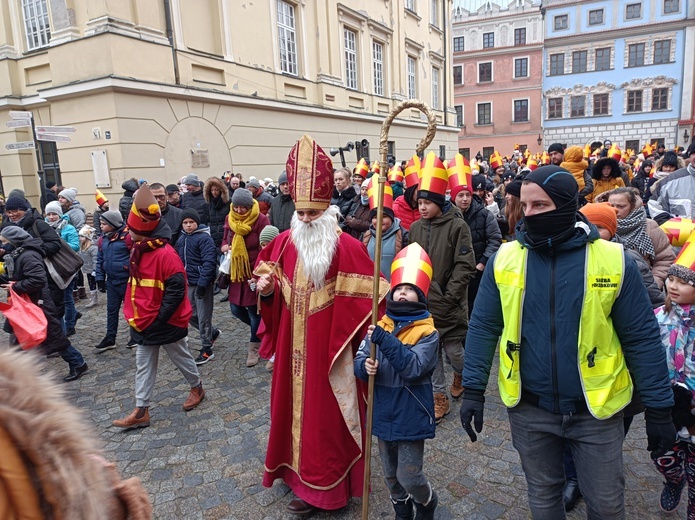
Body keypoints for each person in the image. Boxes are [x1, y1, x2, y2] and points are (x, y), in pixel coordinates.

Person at [459, 165, 676, 519]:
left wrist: (659, 407)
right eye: (524, 205)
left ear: (565, 206)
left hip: (596, 410)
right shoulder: (506, 258)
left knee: (605, 503)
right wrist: (472, 390)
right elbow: (483, 326)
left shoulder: (613, 259)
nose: (528, 214)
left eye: (539, 206)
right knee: (544, 497)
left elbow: (641, 337)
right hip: (529, 408)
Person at [254, 134, 389, 515]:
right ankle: (292, 474)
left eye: (313, 213)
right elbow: (269, 283)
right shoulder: (284, 242)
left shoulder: (347, 247)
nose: (306, 220)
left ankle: (323, 490)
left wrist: (368, 345)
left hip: (331, 355)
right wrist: (265, 290)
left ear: (328, 209)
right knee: (290, 415)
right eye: (301, 213)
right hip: (292, 353)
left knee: (324, 423)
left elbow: (374, 299)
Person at [0, 348, 152, 519]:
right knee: (146, 361)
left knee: (172, 355)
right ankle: (142, 409)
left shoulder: (16, 399)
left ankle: (78, 361)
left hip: (160, 327)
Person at [354, 243, 440, 520]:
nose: (402, 293)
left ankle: (426, 501)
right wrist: (363, 365)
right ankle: (401, 510)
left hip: (410, 411)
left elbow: (414, 368)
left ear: (420, 294)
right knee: (390, 475)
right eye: (398, 289)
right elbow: (360, 356)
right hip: (382, 409)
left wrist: (386, 341)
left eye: (409, 289)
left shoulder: (428, 333)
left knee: (409, 474)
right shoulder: (380, 325)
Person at [113, 185, 205, 430]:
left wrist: (158, 320)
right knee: (143, 363)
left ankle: (197, 387)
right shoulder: (139, 250)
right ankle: (141, 409)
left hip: (165, 321)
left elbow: (176, 292)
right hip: (145, 320)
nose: (128, 233)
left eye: (132, 230)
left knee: (181, 357)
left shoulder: (166, 255)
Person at [408, 153, 476, 423]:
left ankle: (463, 373)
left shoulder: (458, 226)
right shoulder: (414, 227)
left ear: (438, 202)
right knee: (431, 353)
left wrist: (450, 295)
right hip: (423, 305)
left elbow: (464, 264)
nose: (422, 208)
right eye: (420, 203)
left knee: (453, 351)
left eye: (427, 202)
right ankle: (440, 397)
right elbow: (412, 260)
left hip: (449, 303)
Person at [0, 226, 88, 382]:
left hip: (36, 304)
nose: (2, 245)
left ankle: (78, 363)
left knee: (54, 338)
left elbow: (38, 280)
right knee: (17, 338)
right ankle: (16, 375)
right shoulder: (16, 255)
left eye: (4, 241)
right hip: (24, 303)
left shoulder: (28, 256)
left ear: (14, 241)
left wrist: (15, 286)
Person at [652, 251, 695, 515]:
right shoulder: (658, 316)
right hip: (667, 405)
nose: (673, 285)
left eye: (685, 281)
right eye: (672, 279)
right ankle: (674, 480)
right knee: (663, 457)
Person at [221, 188, 269, 367]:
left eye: (243, 207)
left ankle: (254, 348)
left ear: (250, 206)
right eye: (236, 207)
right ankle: (263, 333)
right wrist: (225, 245)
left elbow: (265, 247)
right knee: (235, 309)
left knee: (253, 311)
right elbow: (226, 238)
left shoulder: (261, 219)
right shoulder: (229, 218)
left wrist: (258, 272)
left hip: (252, 272)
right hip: (236, 272)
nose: (239, 211)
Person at [449, 157, 501, 317]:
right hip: (453, 273)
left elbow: (495, 239)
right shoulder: (446, 217)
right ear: (453, 197)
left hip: (477, 272)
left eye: (468, 195)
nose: (465, 199)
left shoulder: (484, 214)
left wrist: (483, 263)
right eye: (461, 195)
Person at [175, 208, 221, 365]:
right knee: (189, 314)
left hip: (202, 283)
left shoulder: (204, 239)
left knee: (203, 317)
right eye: (185, 223)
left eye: (191, 222)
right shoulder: (182, 239)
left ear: (197, 223)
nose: (188, 226)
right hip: (188, 282)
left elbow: (209, 263)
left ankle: (207, 348)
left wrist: (203, 283)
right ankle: (212, 333)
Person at [608, 187, 675, 289]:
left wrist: (654, 282)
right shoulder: (601, 226)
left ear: (632, 206)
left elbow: (665, 259)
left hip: (641, 288)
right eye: (611, 206)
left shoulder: (648, 226)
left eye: (621, 206)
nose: (615, 210)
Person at [94, 211, 131, 351]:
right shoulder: (103, 239)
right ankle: (110, 337)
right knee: (111, 310)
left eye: (104, 224)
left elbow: (135, 257)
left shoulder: (127, 238)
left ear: (113, 224)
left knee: (130, 310)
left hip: (126, 280)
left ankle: (135, 335)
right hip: (111, 281)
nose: (101, 226)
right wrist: (99, 278)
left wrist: (126, 268)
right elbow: (100, 260)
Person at [44, 201, 81, 336]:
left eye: (54, 214)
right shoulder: (44, 228)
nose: (51, 217)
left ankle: (70, 325)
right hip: (51, 269)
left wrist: (57, 246)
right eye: (49, 214)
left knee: (67, 298)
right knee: (56, 299)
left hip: (66, 267)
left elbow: (75, 246)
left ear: (60, 214)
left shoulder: (68, 228)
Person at [362, 181, 406, 282]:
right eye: (375, 217)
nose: (379, 220)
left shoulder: (403, 236)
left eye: (384, 217)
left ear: (391, 218)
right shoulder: (366, 236)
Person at [650, 142, 695, 221]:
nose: (668, 169)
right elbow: (655, 206)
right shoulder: (669, 181)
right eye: (694, 153)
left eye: (671, 166)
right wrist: (667, 224)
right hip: (680, 232)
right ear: (690, 156)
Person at [203, 176, 230, 256]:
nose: (214, 192)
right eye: (212, 190)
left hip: (226, 237)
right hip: (213, 237)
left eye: (216, 190)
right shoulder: (207, 205)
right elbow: (207, 221)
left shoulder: (228, 203)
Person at [79, 225, 100, 308]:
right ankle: (94, 299)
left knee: (97, 284)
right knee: (91, 284)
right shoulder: (82, 247)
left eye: (82, 236)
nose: (80, 238)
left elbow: (95, 259)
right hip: (87, 269)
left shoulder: (93, 248)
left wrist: (95, 270)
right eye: (79, 236)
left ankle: (95, 298)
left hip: (93, 270)